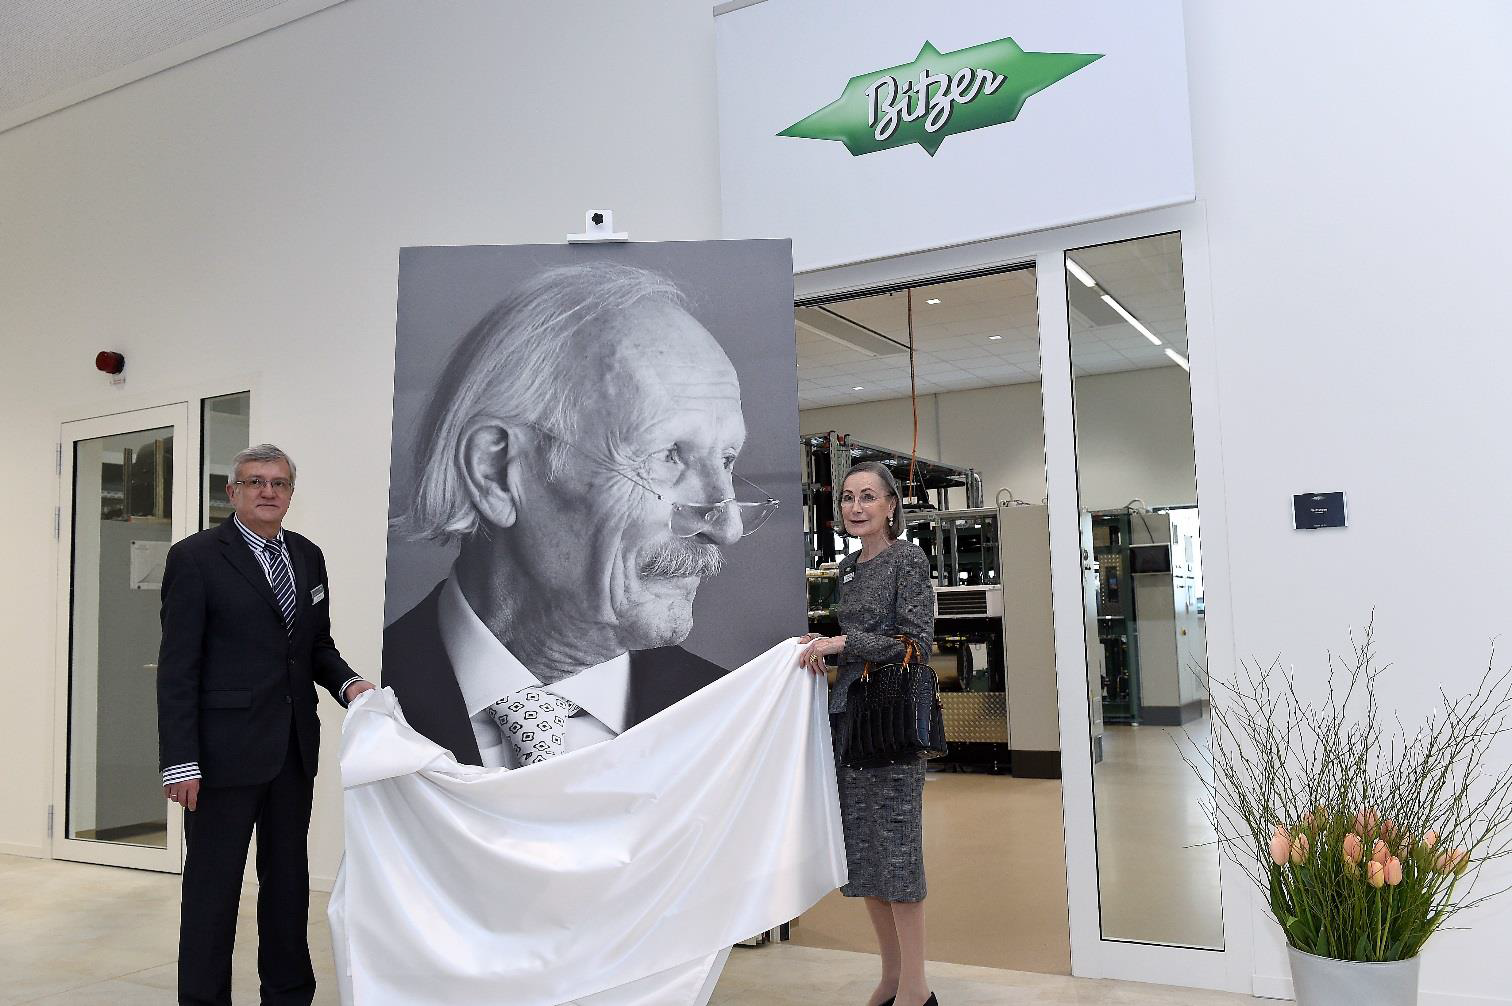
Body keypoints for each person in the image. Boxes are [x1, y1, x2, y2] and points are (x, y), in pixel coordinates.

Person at [384, 262, 777, 768]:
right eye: (668, 455)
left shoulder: (736, 726)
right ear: (496, 471)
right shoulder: (363, 706)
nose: (728, 527)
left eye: (726, 459)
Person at [158, 444, 372, 1006]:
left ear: (291, 494)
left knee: (286, 885)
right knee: (213, 891)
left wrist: (348, 684)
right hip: (220, 757)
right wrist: (180, 760)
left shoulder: (307, 557)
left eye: (278, 483)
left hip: (292, 750)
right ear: (232, 493)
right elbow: (178, 668)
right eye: (255, 482)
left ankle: (288, 993)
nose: (268, 492)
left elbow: (313, 645)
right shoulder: (196, 558)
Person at [798, 460, 938, 1006]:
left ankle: (918, 988)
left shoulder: (909, 558)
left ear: (890, 506)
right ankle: (891, 978)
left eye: (868, 498)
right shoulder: (848, 567)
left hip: (893, 724)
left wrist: (843, 644)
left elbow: (917, 643)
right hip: (849, 719)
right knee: (865, 851)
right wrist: (829, 640)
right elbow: (857, 636)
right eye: (848, 498)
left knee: (898, 850)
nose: (856, 507)